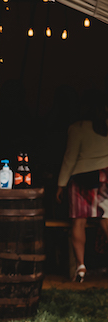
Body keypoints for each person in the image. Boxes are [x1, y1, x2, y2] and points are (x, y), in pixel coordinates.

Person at [56, 93, 108, 281]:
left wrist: (61, 184)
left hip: (81, 177)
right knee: (106, 219)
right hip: (105, 177)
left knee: (78, 221)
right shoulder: (105, 127)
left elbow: (70, 158)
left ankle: (81, 266)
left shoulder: (76, 128)